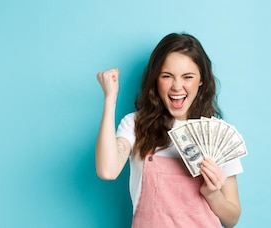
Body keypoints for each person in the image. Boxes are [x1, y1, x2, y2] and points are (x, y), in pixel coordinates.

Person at [95, 33, 243, 228]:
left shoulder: (217, 135)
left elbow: (232, 219)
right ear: (155, 79)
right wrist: (110, 99)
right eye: (167, 76)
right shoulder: (135, 125)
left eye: (187, 77)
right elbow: (107, 171)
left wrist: (212, 193)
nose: (177, 86)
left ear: (201, 81)